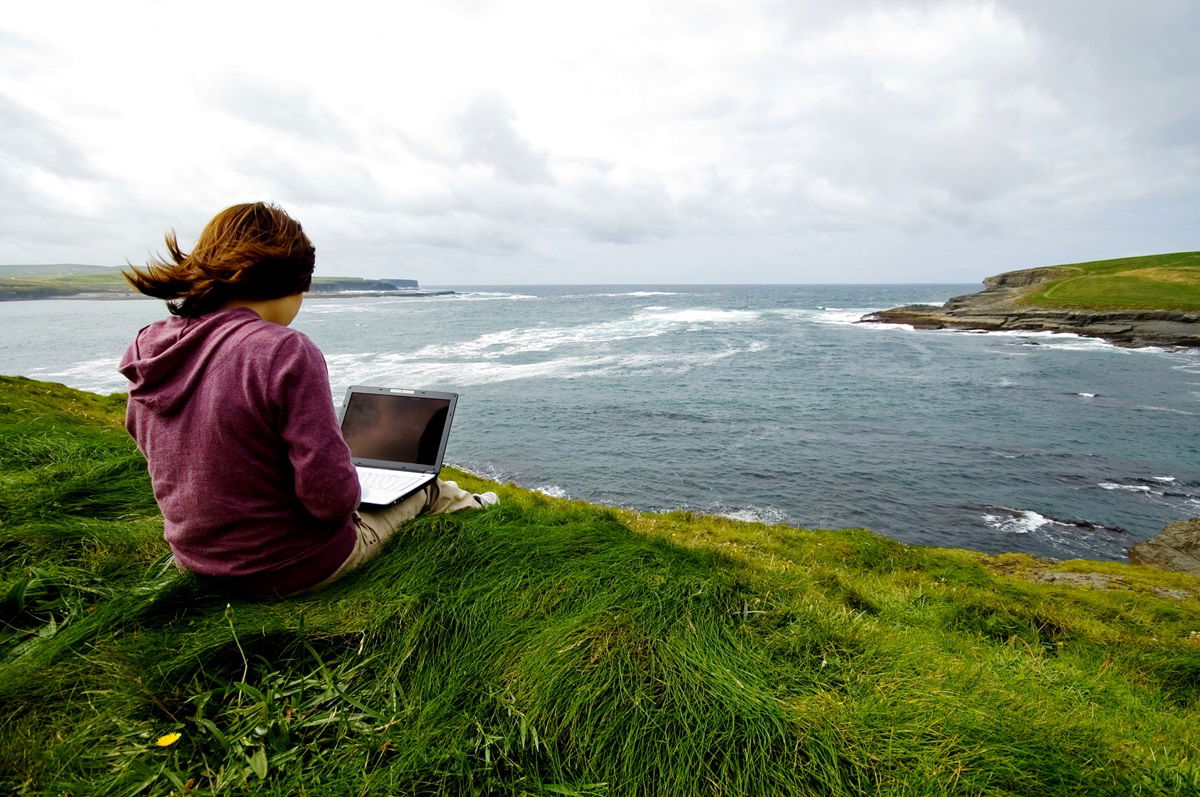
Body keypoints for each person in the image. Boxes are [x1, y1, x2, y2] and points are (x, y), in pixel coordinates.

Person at [118, 202, 495, 598]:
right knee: (425, 489)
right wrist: (349, 480)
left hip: (198, 560)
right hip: (292, 566)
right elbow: (331, 503)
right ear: (290, 282)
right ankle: (486, 512)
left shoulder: (150, 346)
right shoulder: (283, 350)